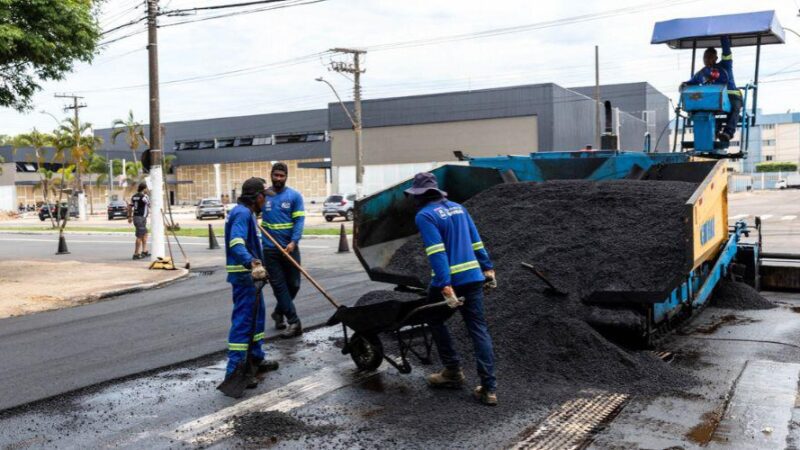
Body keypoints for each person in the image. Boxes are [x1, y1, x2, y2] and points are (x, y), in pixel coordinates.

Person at [405, 172, 499, 406]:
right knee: (478, 329)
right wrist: (487, 268)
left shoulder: (425, 215)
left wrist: (445, 285)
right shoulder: (459, 208)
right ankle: (489, 389)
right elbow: (476, 241)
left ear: (421, 195)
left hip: (450, 280)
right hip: (474, 277)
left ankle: (452, 371)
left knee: (433, 318)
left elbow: (436, 252)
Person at [224, 177, 279, 387]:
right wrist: (252, 263)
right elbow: (236, 242)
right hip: (244, 277)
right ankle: (236, 372)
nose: (266, 201)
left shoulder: (248, 214)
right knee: (243, 324)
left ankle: (256, 358)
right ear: (257, 197)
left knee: (256, 319)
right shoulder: (242, 213)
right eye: (264, 197)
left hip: (251, 279)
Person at [260, 162, 305, 338]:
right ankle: (294, 322)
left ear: (286, 177)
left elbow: (299, 221)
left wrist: (294, 241)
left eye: (282, 176)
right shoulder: (263, 196)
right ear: (271, 175)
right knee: (279, 286)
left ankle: (278, 312)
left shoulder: (294, 196)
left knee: (294, 285)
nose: (278, 178)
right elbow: (253, 213)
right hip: (270, 249)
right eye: (275, 175)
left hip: (290, 248)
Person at [681, 35, 741, 142]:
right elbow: (691, 82)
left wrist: (723, 37)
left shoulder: (725, 65)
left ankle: (727, 133)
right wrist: (683, 85)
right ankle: (713, 131)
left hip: (731, 95)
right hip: (713, 100)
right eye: (705, 57)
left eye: (710, 57)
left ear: (716, 58)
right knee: (703, 109)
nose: (707, 59)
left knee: (735, 108)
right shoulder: (702, 73)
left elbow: (726, 51)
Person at [128, 182, 150, 260]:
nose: (147, 190)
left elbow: (130, 207)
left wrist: (129, 217)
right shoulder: (144, 196)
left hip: (136, 217)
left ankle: (144, 251)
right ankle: (136, 253)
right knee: (139, 236)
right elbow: (150, 204)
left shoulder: (134, 196)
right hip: (141, 218)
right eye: (146, 188)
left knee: (145, 233)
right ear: (144, 189)